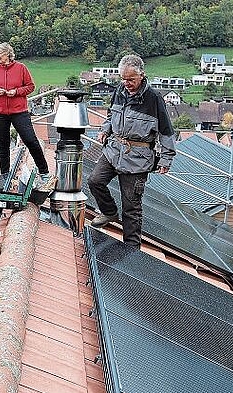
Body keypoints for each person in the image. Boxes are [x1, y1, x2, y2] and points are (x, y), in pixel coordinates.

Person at [87, 54, 176, 248]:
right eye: (123, 79)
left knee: (131, 207)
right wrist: (104, 130)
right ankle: (109, 212)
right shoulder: (119, 90)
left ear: (142, 75)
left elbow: (166, 131)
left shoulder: (154, 98)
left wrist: (166, 158)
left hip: (137, 159)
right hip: (113, 151)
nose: (126, 83)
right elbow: (111, 115)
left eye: (130, 79)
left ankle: (132, 251)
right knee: (95, 181)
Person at [0, 42, 50, 181]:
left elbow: (30, 86)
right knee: (3, 145)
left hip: (19, 112)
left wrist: (16, 92)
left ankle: (44, 172)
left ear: (8, 53)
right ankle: (5, 176)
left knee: (31, 140)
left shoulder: (21, 68)